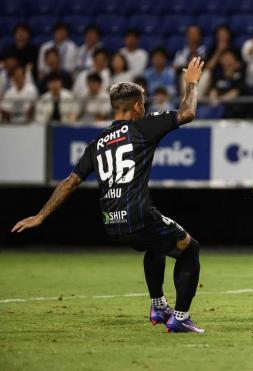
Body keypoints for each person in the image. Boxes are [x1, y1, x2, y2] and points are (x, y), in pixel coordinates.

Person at [12, 57, 207, 333]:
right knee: (191, 249)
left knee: (156, 245)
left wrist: (40, 216)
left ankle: (158, 305)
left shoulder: (97, 143)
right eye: (143, 103)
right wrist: (192, 84)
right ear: (137, 107)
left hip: (112, 223)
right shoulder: (142, 127)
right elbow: (187, 113)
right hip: (139, 215)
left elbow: (70, 182)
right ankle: (181, 317)